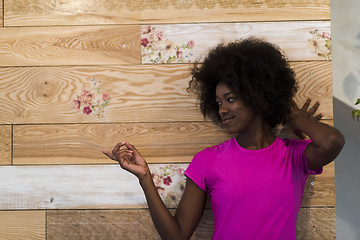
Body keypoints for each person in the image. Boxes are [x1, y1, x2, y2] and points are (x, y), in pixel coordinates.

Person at [102, 38, 344, 240]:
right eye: (218, 102)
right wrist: (144, 176)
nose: (222, 110)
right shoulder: (207, 161)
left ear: (256, 95)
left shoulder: (294, 155)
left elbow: (332, 141)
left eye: (229, 99)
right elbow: (177, 235)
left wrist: (293, 116)